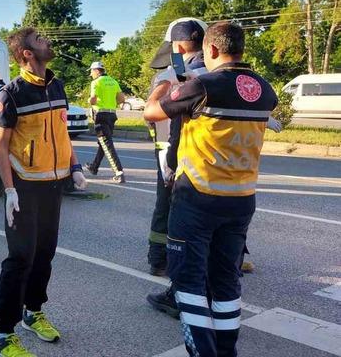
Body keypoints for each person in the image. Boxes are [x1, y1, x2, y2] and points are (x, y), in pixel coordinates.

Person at [144, 22, 277, 357]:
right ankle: (226, 351)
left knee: (189, 284)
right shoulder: (265, 89)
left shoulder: (201, 86)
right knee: (226, 283)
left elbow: (150, 113)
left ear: (213, 50)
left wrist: (166, 85)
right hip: (242, 200)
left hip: (197, 198)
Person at [0, 28, 88, 357]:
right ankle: (2, 337)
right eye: (40, 40)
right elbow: (0, 147)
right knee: (20, 258)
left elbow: (62, 133)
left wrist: (74, 167)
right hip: (23, 187)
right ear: (27, 54)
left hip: (53, 185)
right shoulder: (11, 93)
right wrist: (9, 190)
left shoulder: (57, 85)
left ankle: (33, 313)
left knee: (44, 254)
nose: (47, 42)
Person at [146, 18, 208, 278]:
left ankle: (160, 259)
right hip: (208, 156)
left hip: (171, 152)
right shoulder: (219, 74)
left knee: (167, 207)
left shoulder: (169, 76)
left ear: (178, 48)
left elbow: (150, 113)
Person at [83, 62, 126, 183]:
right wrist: (111, 104)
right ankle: (94, 167)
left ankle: (119, 172)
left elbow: (93, 100)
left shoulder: (96, 82)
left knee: (107, 143)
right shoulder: (113, 81)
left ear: (97, 71)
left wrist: (89, 100)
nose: (91, 74)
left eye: (91, 71)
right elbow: (122, 99)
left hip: (100, 115)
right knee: (104, 143)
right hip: (112, 114)